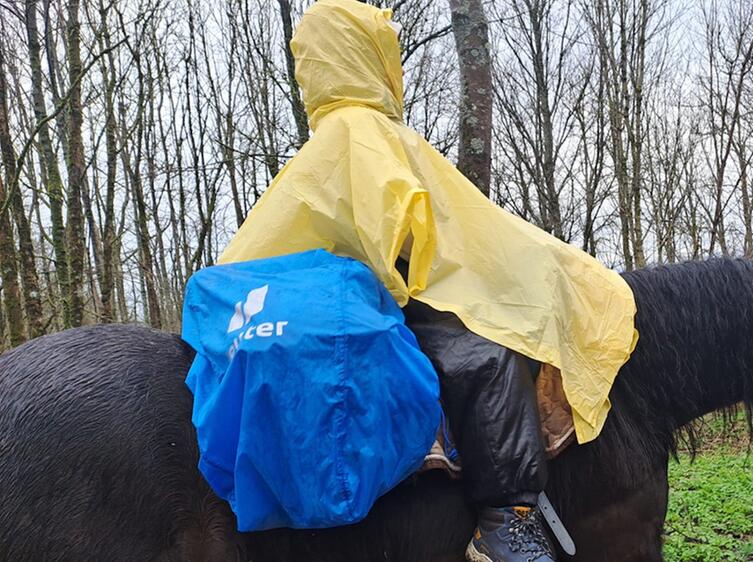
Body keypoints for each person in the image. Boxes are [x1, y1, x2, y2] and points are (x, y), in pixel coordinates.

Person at [219, 1, 637, 560]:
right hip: (361, 303)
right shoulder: (366, 135)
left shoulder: (322, 147)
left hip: (294, 305)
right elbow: (407, 241)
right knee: (486, 357)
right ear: (372, 56)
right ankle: (504, 523)